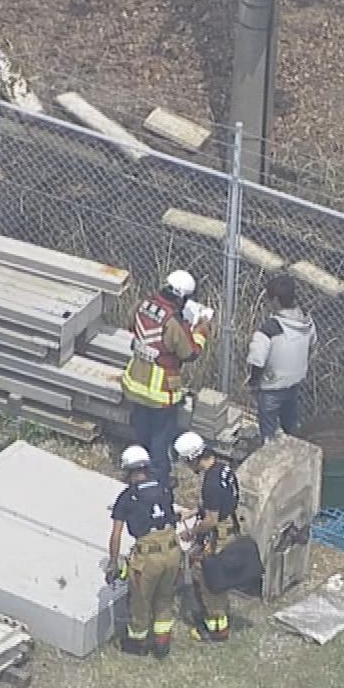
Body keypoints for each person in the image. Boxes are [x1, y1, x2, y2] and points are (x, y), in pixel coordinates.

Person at [122, 269, 212, 489]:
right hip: (160, 391)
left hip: (134, 383)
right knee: (160, 440)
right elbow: (189, 353)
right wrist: (201, 331)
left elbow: (130, 325)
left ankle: (138, 476)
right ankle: (159, 482)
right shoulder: (172, 323)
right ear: (182, 296)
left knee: (141, 432)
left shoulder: (143, 305)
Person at [107, 445, 181, 657]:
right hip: (173, 550)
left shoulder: (127, 497)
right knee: (165, 598)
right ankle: (162, 644)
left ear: (128, 471)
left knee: (140, 602)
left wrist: (113, 563)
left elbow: (116, 534)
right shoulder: (163, 487)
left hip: (149, 557)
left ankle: (137, 644)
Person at [176, 431, 240, 641]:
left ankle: (215, 628)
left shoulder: (210, 483)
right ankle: (217, 617)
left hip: (218, 533)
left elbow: (211, 520)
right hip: (230, 523)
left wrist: (191, 532)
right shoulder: (223, 468)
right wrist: (193, 512)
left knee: (206, 577)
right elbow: (218, 503)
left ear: (192, 458)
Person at [246, 272, 316, 441]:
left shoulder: (268, 331)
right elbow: (312, 345)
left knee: (268, 430)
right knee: (291, 425)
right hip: (294, 384)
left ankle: (269, 454)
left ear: (275, 300)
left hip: (271, 388)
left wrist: (254, 383)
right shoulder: (307, 323)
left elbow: (257, 360)